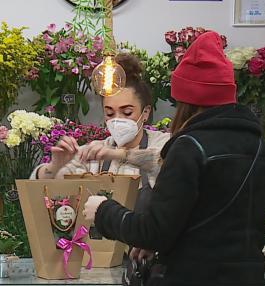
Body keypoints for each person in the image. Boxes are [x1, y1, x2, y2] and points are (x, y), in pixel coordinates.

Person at [82, 32, 265, 286]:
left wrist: (104, 211)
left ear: (186, 100)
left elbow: (155, 231)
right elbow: (220, 223)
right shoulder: (263, 151)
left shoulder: (190, 147)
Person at [32, 53, 170, 216]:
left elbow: (161, 162)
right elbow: (47, 189)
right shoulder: (95, 151)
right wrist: (54, 166)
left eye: (127, 112)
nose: (117, 120)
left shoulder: (163, 142)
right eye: (110, 113)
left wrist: (116, 154)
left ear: (145, 112)